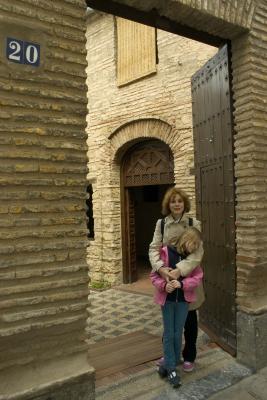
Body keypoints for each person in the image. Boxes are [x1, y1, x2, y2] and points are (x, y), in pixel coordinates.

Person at [149, 187, 205, 373]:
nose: (176, 204)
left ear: (184, 203)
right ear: (168, 204)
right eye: (173, 201)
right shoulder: (161, 224)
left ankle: (189, 356)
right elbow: (153, 248)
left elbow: (197, 254)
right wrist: (161, 268)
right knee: (169, 321)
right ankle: (170, 354)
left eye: (179, 201)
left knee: (189, 321)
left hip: (187, 279)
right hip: (167, 277)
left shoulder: (193, 222)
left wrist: (179, 272)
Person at [150, 227, 203, 388]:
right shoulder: (166, 252)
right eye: (191, 242)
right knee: (169, 333)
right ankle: (172, 368)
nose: (193, 247)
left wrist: (182, 283)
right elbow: (153, 275)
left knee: (178, 332)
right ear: (184, 238)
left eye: (196, 245)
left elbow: (198, 277)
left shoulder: (191, 260)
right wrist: (163, 286)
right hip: (167, 301)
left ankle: (169, 362)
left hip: (183, 302)